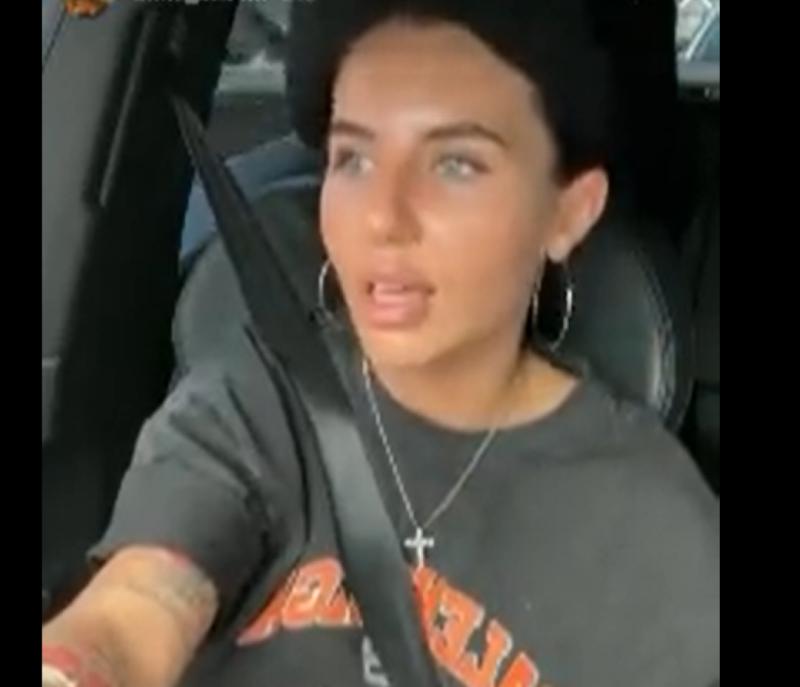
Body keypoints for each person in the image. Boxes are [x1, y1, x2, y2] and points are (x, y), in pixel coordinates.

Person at [42, 1, 719, 686]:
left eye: (456, 164)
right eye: (355, 159)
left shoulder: (653, 529)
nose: (382, 218)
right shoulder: (255, 402)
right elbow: (139, 604)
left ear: (569, 212)